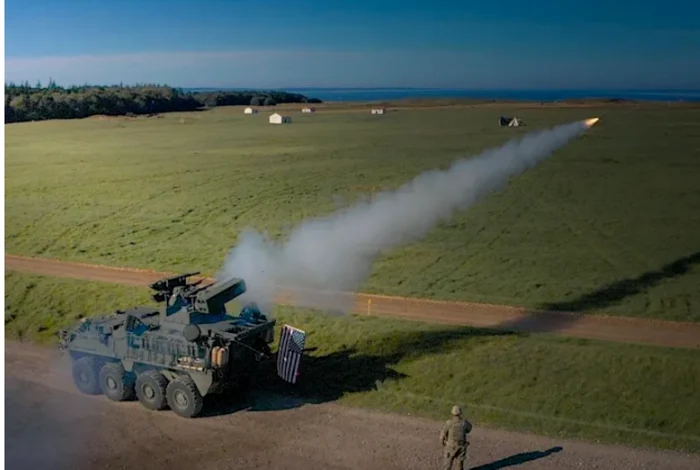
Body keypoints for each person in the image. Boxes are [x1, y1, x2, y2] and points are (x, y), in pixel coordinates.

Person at [440, 405, 472, 470]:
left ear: (452, 413)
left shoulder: (449, 423)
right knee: (459, 466)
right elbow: (469, 429)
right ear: (460, 413)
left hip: (450, 446)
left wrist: (443, 443)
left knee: (447, 464)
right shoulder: (464, 423)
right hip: (461, 447)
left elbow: (442, 435)